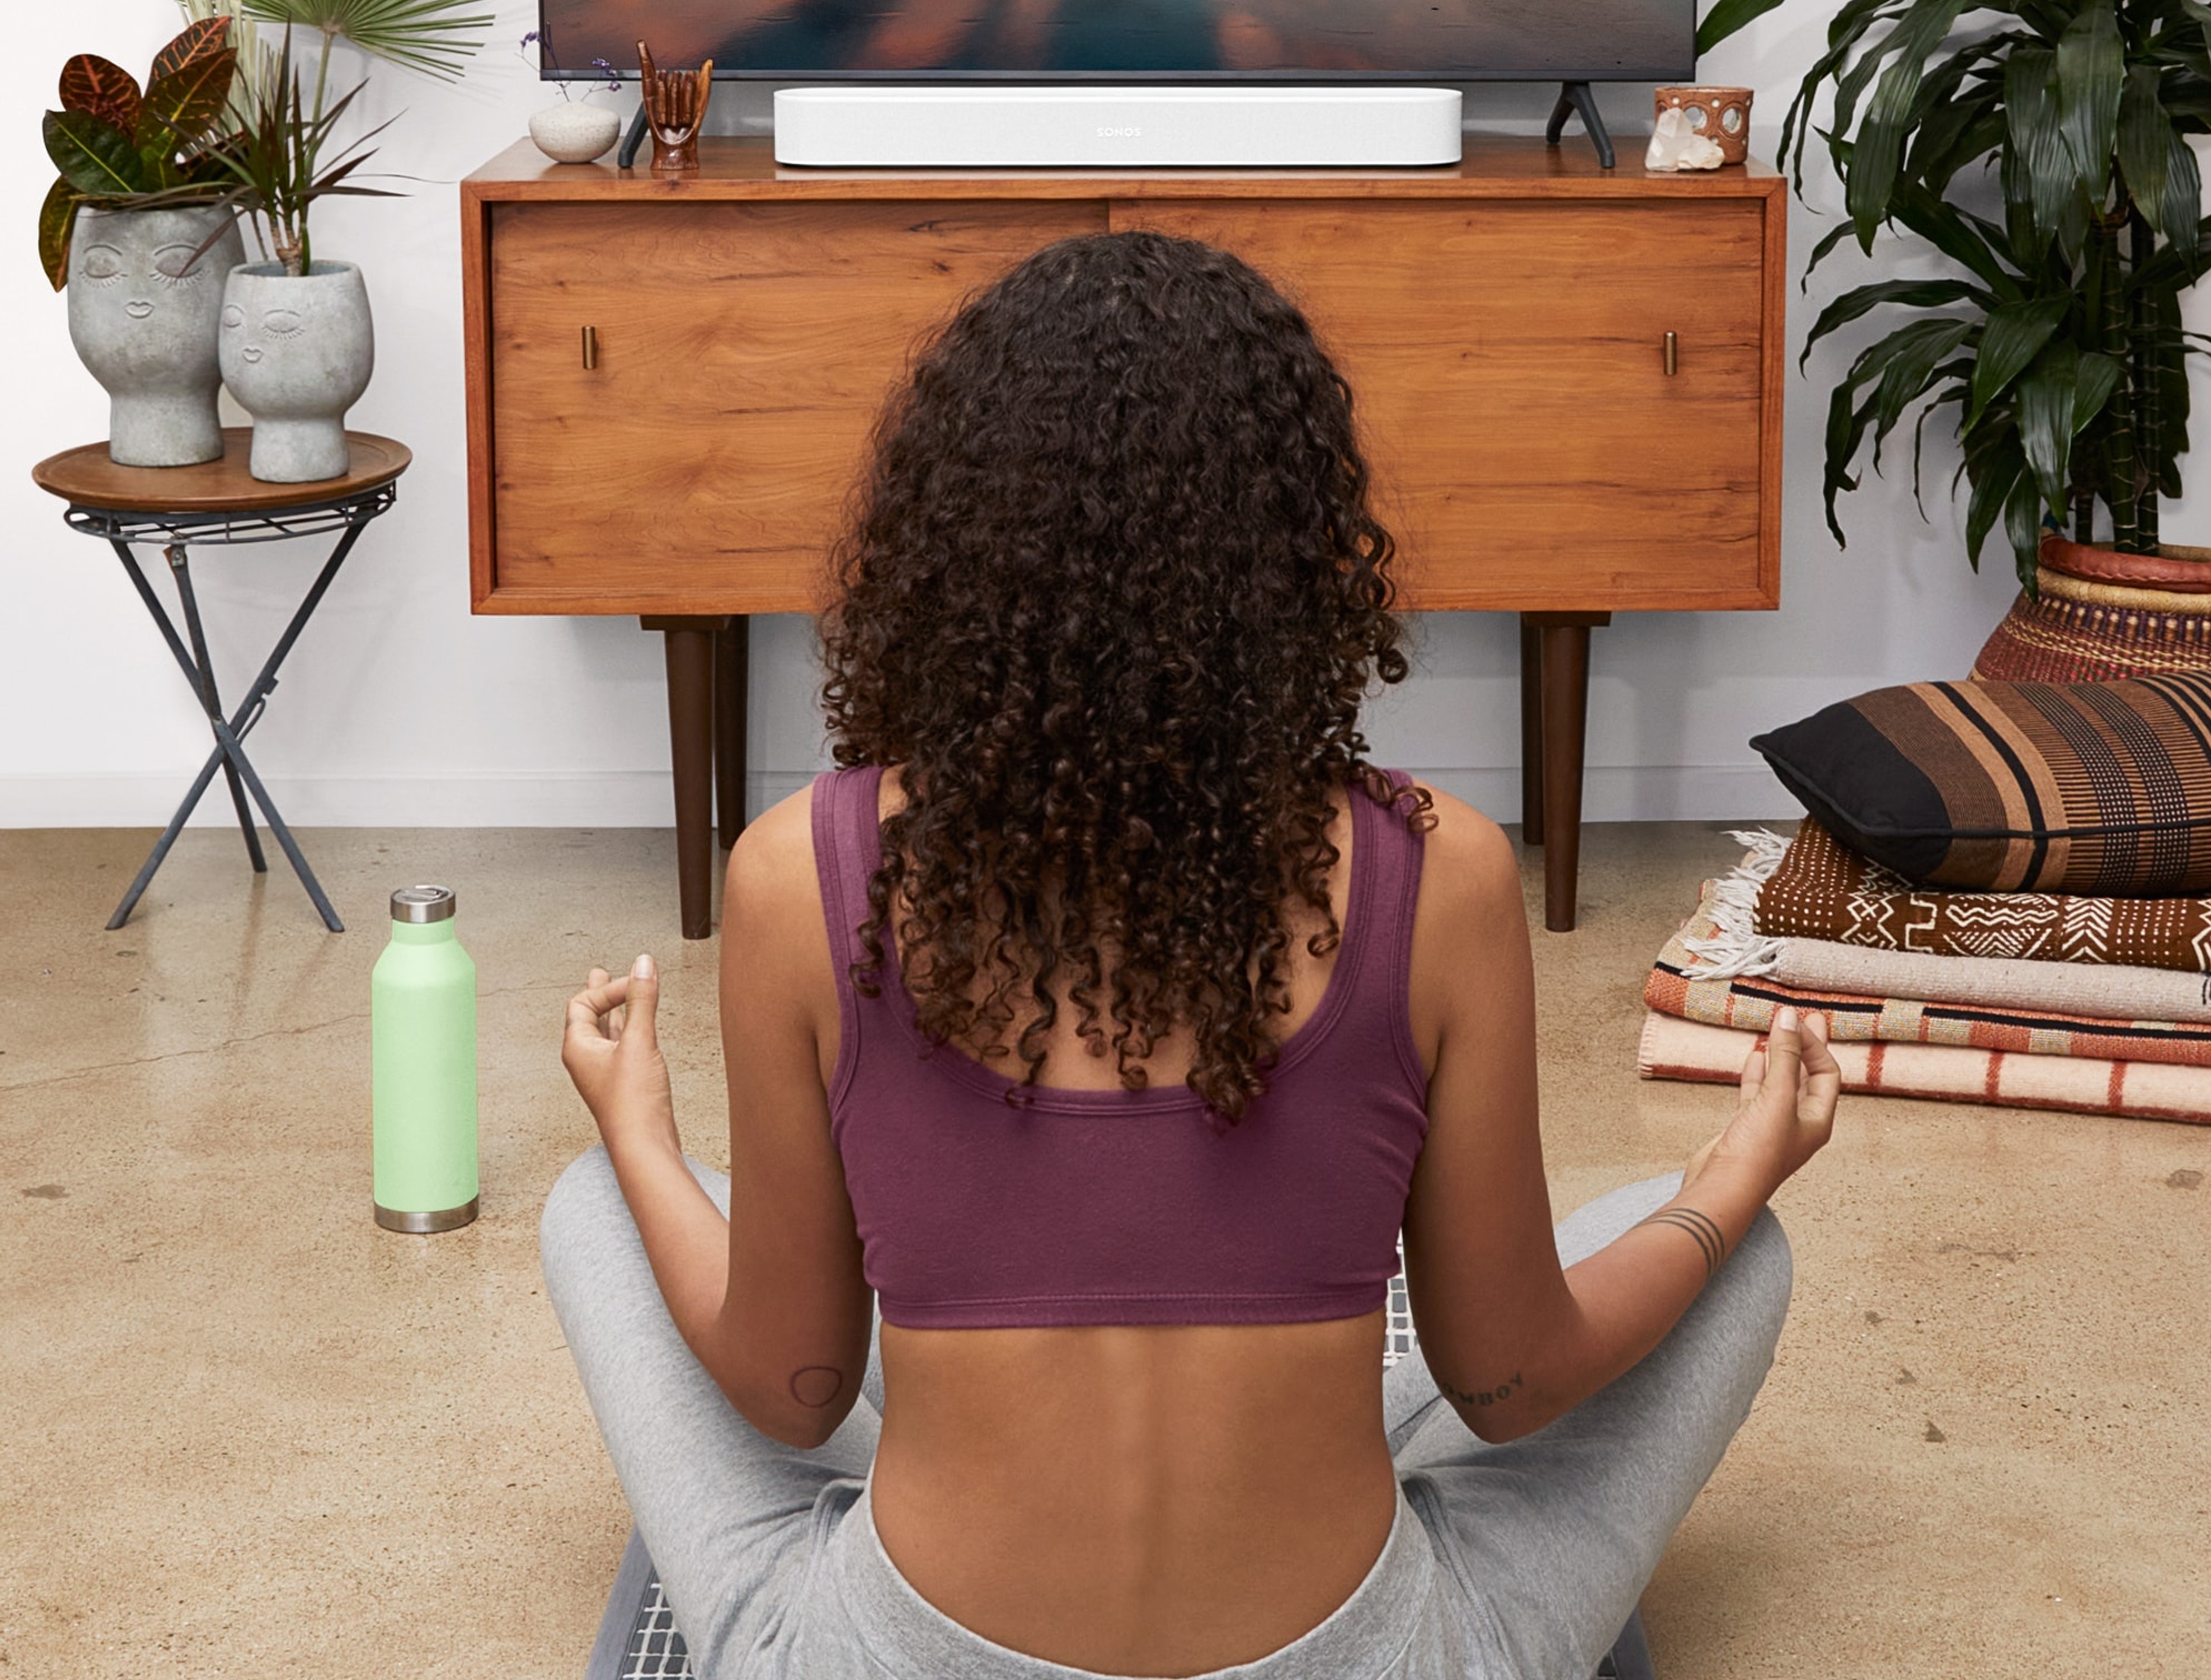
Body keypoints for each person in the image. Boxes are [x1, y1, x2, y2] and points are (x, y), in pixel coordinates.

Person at [543, 230, 1839, 1680]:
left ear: (949, 550)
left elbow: (793, 1390)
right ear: (1295, 556)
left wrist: (638, 1127)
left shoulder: (798, 876)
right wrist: (1737, 1178)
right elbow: (1510, 1378)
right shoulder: (1444, 873)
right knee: (1719, 1255)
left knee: (602, 1213)